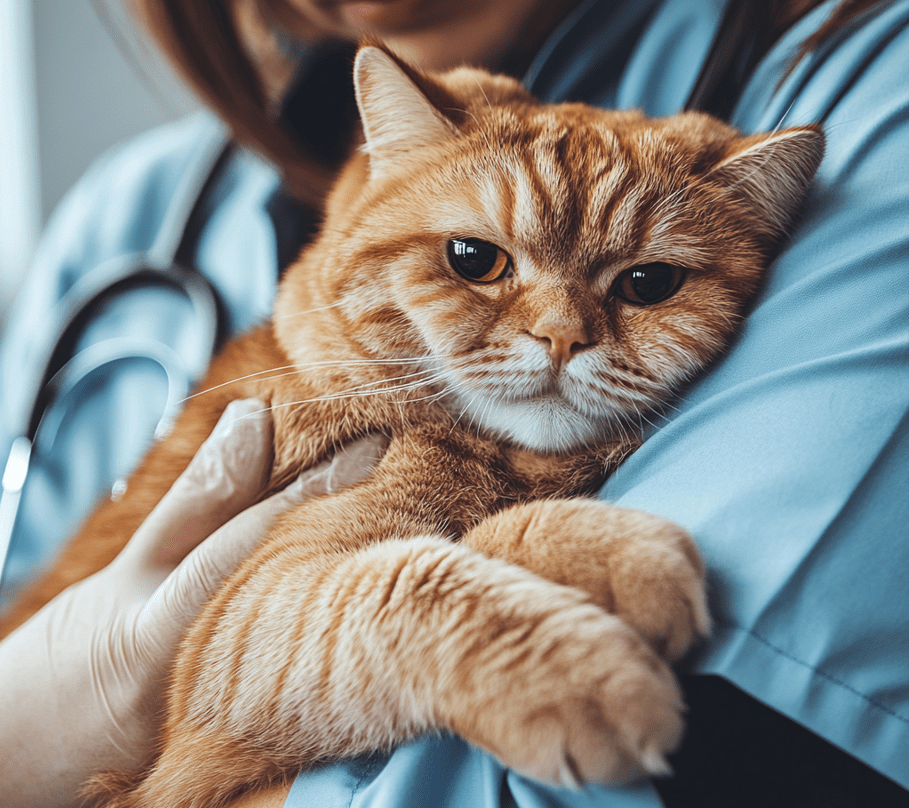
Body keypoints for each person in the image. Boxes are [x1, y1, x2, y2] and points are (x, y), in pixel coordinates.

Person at [0, 0, 906, 806]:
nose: (561, 335)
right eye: (476, 260)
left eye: (650, 280)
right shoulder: (134, 212)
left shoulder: (863, 80)